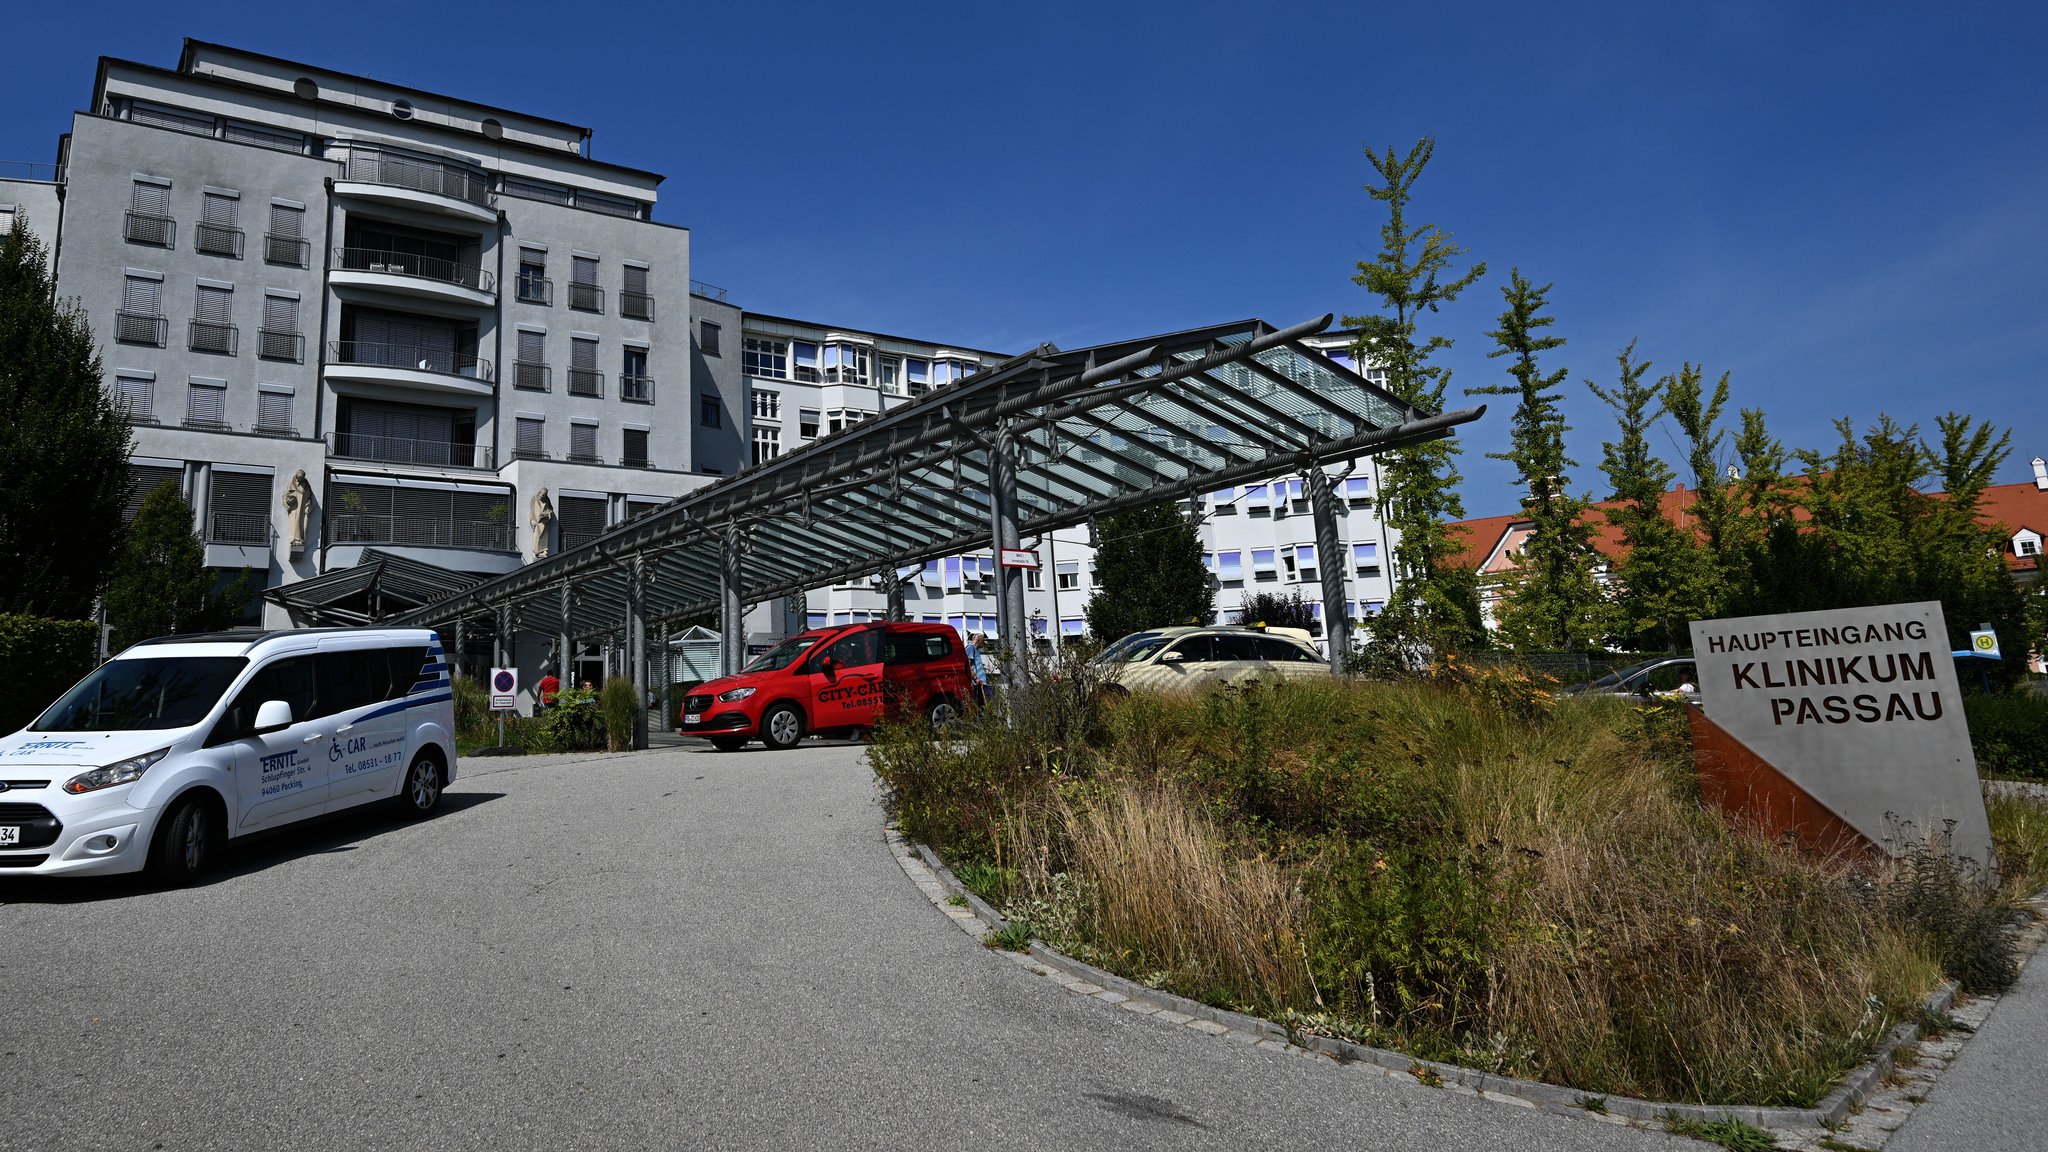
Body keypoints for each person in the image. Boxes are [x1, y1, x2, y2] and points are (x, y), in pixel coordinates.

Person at [964, 632, 989, 707]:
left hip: (980, 683)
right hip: (977, 683)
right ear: (978, 640)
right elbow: (968, 666)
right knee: (979, 705)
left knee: (981, 705)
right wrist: (976, 678)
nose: (983, 642)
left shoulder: (975, 649)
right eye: (983, 640)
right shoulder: (970, 648)